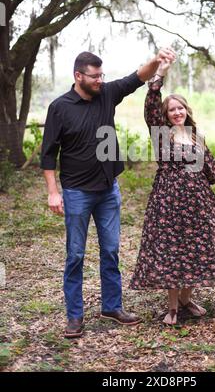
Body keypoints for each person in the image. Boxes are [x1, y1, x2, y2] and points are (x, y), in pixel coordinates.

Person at [40, 48, 176, 338]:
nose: (100, 80)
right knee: (75, 254)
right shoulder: (59, 107)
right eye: (95, 76)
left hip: (108, 191)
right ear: (78, 76)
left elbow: (136, 78)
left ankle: (112, 306)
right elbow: (48, 154)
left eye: (102, 75)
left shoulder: (107, 94)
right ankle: (74, 317)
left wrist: (157, 59)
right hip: (76, 193)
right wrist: (54, 192)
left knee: (111, 251)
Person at [130, 60, 215, 325]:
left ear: (187, 111)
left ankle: (187, 299)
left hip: (199, 201)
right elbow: (152, 103)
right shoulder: (161, 134)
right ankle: (173, 307)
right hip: (169, 200)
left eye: (180, 108)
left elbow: (209, 167)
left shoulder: (196, 136)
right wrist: (160, 74)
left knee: (199, 249)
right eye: (172, 109)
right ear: (165, 115)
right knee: (172, 250)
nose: (177, 112)